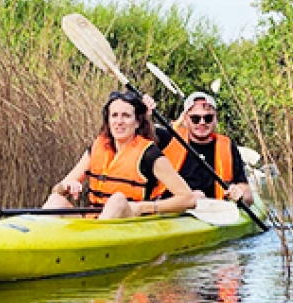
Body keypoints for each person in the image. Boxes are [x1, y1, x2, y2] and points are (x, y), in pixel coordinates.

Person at [43, 90, 196, 219]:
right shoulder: (97, 148)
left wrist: (143, 207)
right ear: (108, 121)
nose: (119, 121)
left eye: (126, 116)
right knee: (56, 200)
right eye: (114, 115)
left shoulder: (150, 155)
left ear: (137, 122)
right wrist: (65, 187)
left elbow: (188, 199)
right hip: (93, 221)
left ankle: (97, 244)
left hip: (127, 223)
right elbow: (56, 189)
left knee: (117, 199)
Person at [148, 91, 253, 206]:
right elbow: (137, 129)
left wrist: (240, 193)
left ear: (215, 118)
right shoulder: (167, 138)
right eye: (195, 118)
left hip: (214, 211)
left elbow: (248, 195)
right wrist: (144, 110)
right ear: (186, 119)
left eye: (208, 118)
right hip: (173, 211)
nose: (202, 123)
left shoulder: (227, 146)